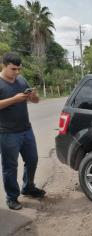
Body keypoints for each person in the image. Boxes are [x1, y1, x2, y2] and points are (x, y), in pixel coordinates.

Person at [0, 52, 45, 210]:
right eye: (13, 69)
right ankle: (12, 197)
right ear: (4, 66)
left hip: (26, 129)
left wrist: (33, 96)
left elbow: (36, 100)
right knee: (10, 167)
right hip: (7, 133)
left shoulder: (21, 80)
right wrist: (14, 99)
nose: (17, 72)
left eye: (19, 69)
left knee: (32, 160)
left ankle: (28, 187)